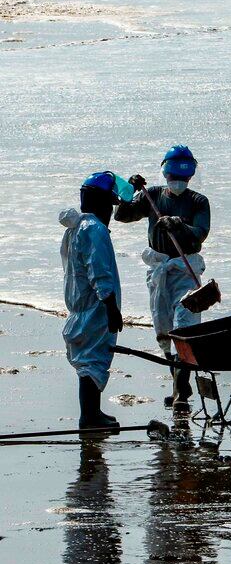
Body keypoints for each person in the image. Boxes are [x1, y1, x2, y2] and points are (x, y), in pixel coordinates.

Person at [115, 145, 210, 411]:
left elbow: (200, 234)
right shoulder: (153, 195)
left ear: (191, 176)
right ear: (165, 174)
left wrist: (180, 224)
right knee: (164, 328)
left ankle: (181, 393)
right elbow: (122, 215)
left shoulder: (198, 201)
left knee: (185, 327)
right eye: (174, 175)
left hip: (185, 270)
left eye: (184, 176)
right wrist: (129, 191)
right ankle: (179, 383)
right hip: (159, 272)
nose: (178, 180)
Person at [62, 171, 132, 430]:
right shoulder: (95, 229)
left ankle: (92, 413)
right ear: (101, 203)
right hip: (95, 307)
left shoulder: (76, 228)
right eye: (109, 205)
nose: (111, 211)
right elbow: (99, 273)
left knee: (88, 360)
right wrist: (111, 307)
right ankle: (90, 417)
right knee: (94, 361)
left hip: (81, 306)